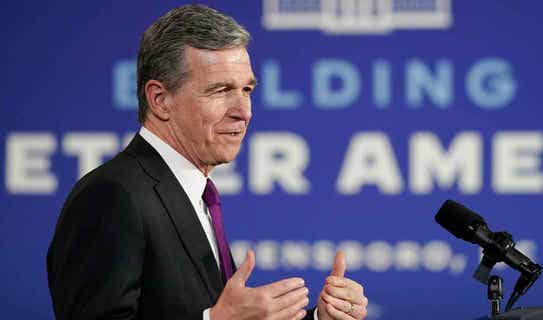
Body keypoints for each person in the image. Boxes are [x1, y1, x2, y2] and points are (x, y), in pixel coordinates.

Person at [46, 4, 368, 320]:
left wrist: (320, 318)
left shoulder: (195, 194)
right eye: (221, 90)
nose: (244, 111)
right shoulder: (112, 197)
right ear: (160, 99)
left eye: (247, 89)